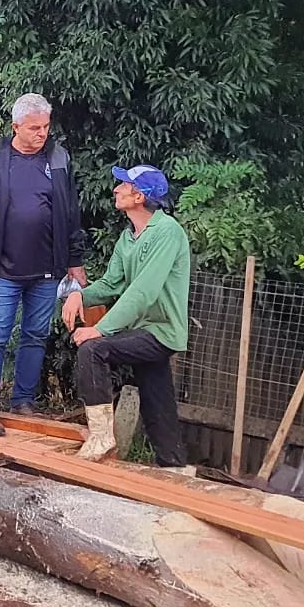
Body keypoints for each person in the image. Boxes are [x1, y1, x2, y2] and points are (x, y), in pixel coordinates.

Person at [0, 92, 87, 437]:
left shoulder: (58, 158)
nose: (41, 133)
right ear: (16, 126)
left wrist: (75, 260)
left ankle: (23, 402)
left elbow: (71, 211)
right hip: (2, 268)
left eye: (45, 127)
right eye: (34, 127)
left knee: (35, 335)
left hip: (48, 268)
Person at [60, 164, 190, 467]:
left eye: (123, 186)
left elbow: (142, 292)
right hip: (142, 328)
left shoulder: (167, 232)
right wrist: (78, 294)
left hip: (161, 331)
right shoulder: (128, 237)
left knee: (93, 349)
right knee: (158, 402)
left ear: (139, 196)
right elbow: (110, 284)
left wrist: (101, 329)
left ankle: (102, 439)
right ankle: (175, 466)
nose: (116, 189)